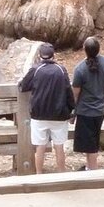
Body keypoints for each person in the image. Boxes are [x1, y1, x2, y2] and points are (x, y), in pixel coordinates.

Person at [18, 43, 74, 174]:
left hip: (39, 114)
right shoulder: (61, 70)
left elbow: (23, 86)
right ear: (53, 55)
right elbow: (68, 91)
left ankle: (39, 175)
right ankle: (61, 174)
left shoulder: (36, 69)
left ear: (39, 55)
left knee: (40, 147)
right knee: (59, 146)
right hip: (59, 114)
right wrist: (72, 109)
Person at [71, 36, 104, 170]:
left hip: (85, 111)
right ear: (98, 49)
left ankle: (93, 170)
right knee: (92, 141)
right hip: (100, 110)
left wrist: (72, 111)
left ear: (84, 49)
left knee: (90, 145)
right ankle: (89, 168)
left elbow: (75, 93)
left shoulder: (80, 69)